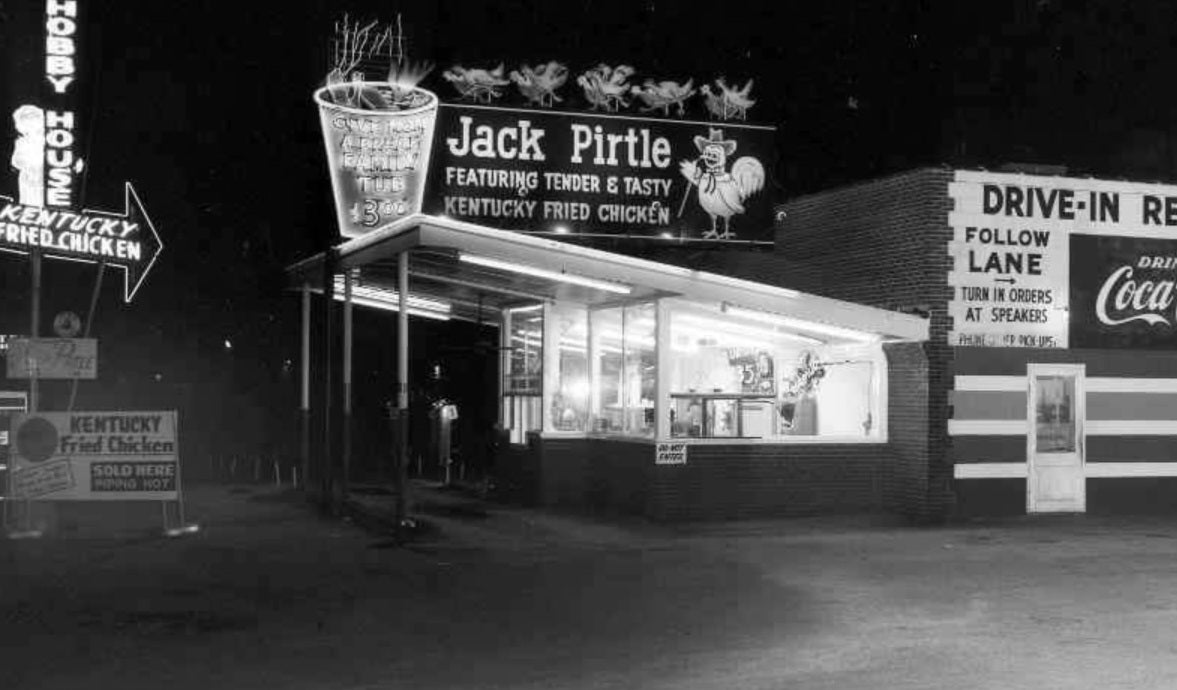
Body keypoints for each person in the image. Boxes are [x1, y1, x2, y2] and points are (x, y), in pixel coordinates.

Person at [11, 105, 45, 207]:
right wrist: (27, 164)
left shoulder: (52, 139)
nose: (32, 126)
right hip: (29, 179)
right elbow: (16, 161)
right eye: (28, 124)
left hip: (49, 179)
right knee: (30, 202)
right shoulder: (22, 142)